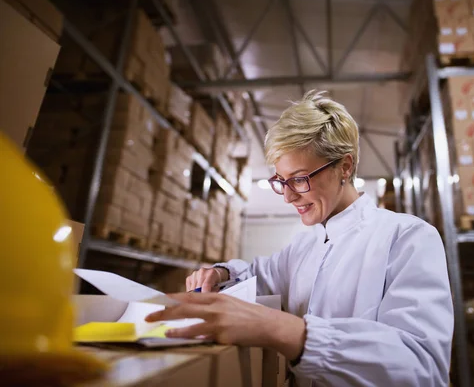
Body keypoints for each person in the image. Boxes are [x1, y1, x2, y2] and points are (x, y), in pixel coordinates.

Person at [146, 91, 454, 386]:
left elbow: (421, 367)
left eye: (299, 179)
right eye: (281, 181)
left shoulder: (407, 238)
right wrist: (220, 273)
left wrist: (292, 333)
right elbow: (256, 275)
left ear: (344, 167)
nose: (288, 196)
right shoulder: (303, 247)